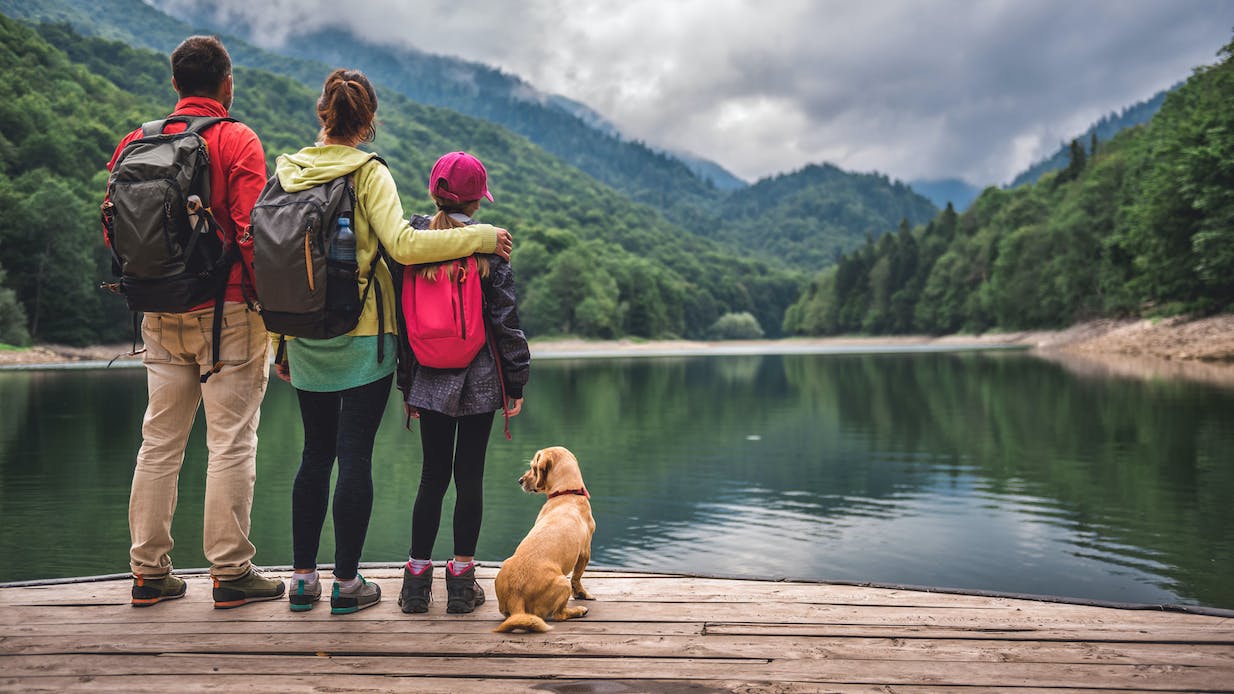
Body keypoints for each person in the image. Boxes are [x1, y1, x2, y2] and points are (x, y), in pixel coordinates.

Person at [276, 71, 514, 615]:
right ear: (369, 121)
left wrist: (278, 342)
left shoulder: (288, 170)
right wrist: (483, 236)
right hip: (363, 338)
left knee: (314, 454)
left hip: (302, 336)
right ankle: (346, 585)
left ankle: (303, 581)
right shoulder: (368, 171)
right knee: (354, 455)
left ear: (322, 114)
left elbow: (277, 258)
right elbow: (404, 246)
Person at [106, 36, 285, 608]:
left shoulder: (136, 142)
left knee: (159, 442)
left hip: (158, 311)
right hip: (229, 311)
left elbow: (113, 226)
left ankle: (148, 574)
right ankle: (231, 574)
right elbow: (252, 232)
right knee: (230, 442)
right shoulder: (237, 138)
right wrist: (269, 306)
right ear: (226, 85)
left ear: (175, 84)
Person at [398, 152, 530, 615]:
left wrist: (406, 385)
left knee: (431, 476)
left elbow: (403, 322)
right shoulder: (490, 249)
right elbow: (505, 322)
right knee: (469, 475)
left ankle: (415, 584)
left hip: (429, 376)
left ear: (434, 191)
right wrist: (515, 382)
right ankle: (460, 583)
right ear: (477, 202)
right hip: (478, 378)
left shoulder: (412, 244)